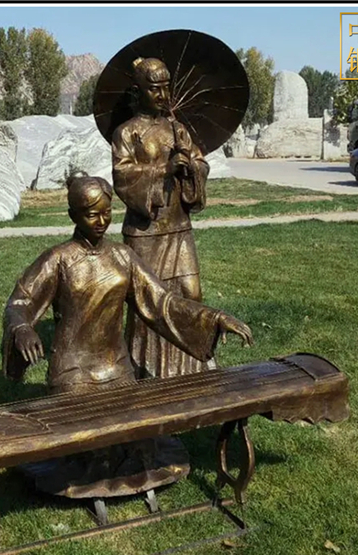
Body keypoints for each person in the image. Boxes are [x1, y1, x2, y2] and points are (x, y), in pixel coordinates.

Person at [2, 175, 252, 499]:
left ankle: (127, 475)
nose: (101, 221)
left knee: (138, 440)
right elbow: (20, 302)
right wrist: (22, 328)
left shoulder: (122, 257)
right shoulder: (58, 259)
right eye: (92, 214)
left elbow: (162, 302)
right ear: (73, 215)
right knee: (90, 444)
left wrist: (214, 319)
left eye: (107, 213)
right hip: (73, 371)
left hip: (116, 367)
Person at [112, 57, 211, 379]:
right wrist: (163, 170)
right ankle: (145, 369)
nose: (162, 95)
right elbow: (123, 176)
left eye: (167, 88)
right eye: (154, 89)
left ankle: (193, 362)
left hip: (179, 228)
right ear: (138, 90)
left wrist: (191, 167)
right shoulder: (127, 133)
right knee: (146, 304)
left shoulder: (177, 130)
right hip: (145, 231)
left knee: (191, 293)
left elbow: (201, 164)